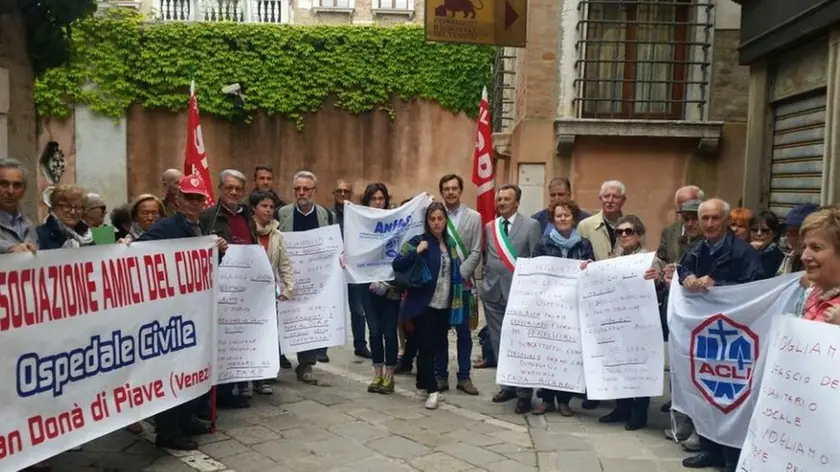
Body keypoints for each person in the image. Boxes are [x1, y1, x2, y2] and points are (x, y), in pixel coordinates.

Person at [134, 174, 228, 450]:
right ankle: (168, 430)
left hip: (194, 313)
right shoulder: (167, 226)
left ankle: (186, 419)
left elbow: (205, 268)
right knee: (171, 370)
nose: (193, 203)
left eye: (198, 198)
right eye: (188, 198)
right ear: (177, 200)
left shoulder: (201, 227)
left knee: (192, 367)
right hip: (170, 315)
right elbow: (141, 250)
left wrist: (219, 250)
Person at [678, 198, 762, 472]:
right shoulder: (697, 248)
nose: (710, 224)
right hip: (705, 335)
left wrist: (720, 285)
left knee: (731, 395)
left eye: (715, 218)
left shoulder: (743, 251)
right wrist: (686, 276)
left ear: (726, 220)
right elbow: (682, 267)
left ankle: (732, 458)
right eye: (705, 219)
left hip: (734, 335)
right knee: (705, 390)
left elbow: (755, 286)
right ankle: (708, 448)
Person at [393, 202, 469, 410]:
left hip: (444, 304)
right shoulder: (419, 240)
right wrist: (415, 252)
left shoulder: (451, 244)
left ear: (445, 221)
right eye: (432, 219)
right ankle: (432, 390)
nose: (436, 222)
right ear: (427, 222)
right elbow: (397, 263)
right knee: (426, 348)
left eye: (440, 219)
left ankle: (420, 384)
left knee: (434, 344)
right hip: (422, 304)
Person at [590, 215, 661, 430]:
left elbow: (659, 286)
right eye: (619, 232)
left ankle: (639, 412)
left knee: (639, 366)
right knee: (620, 365)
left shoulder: (649, 259)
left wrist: (656, 279)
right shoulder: (615, 258)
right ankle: (622, 407)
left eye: (628, 231)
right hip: (619, 322)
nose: (623, 235)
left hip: (642, 323)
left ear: (638, 234)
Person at [482, 184, 542, 414]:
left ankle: (525, 394)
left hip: (519, 294)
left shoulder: (531, 226)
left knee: (520, 344)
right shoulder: (490, 227)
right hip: (492, 292)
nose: (502, 203)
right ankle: (507, 385)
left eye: (507, 199)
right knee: (498, 341)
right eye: (500, 199)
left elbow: (535, 259)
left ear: (517, 202)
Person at [531, 200, 594, 416]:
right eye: (559, 216)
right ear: (553, 220)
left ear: (574, 218)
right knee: (549, 353)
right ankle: (546, 399)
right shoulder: (543, 243)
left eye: (567, 215)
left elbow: (591, 270)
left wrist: (588, 267)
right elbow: (536, 272)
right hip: (550, 307)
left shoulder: (584, 244)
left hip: (574, 307)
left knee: (568, 353)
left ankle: (565, 400)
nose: (563, 218)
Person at [201, 169, 257, 407]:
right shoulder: (208, 217)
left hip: (245, 287)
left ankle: (238, 383)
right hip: (220, 288)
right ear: (220, 189)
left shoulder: (247, 216)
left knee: (240, 335)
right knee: (220, 339)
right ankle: (221, 392)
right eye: (229, 188)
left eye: (238, 188)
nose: (233, 192)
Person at [276, 170, 335, 383]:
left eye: (306, 189)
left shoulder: (326, 215)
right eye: (297, 189)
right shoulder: (282, 213)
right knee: (283, 317)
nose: (301, 193)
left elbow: (333, 245)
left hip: (314, 280)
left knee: (309, 320)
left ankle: (306, 365)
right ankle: (275, 360)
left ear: (314, 191)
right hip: (287, 276)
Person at [434, 174, 482, 395]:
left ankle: (464, 377)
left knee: (464, 334)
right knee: (440, 333)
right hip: (440, 287)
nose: (450, 192)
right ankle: (440, 375)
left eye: (454, 188)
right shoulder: (435, 216)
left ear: (461, 190)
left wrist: (460, 274)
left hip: (463, 285)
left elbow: (476, 250)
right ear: (442, 191)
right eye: (446, 189)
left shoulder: (474, 217)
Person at [250, 190, 295, 394]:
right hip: (247, 292)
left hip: (269, 294)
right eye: (263, 206)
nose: (268, 210)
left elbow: (284, 264)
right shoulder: (246, 231)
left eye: (270, 206)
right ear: (254, 208)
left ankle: (263, 378)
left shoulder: (277, 234)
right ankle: (244, 379)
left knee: (266, 335)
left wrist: (288, 287)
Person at [360, 183, 402, 394]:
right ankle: (377, 374)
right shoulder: (360, 223)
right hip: (367, 287)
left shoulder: (395, 221)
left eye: (381, 198)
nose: (377, 202)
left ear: (386, 200)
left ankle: (389, 376)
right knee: (374, 332)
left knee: (389, 332)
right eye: (373, 198)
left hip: (391, 286)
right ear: (367, 201)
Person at [334, 179, 371, 359]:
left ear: (350, 194)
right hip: (333, 269)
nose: (342, 195)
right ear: (334, 194)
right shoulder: (328, 215)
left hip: (355, 267)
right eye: (339, 191)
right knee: (330, 306)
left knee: (358, 308)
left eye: (346, 192)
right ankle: (322, 349)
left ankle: (360, 345)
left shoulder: (357, 214)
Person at [577, 180, 627, 261]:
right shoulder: (585, 226)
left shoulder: (633, 226)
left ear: (623, 200)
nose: (610, 201)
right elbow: (578, 256)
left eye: (615, 197)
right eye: (606, 196)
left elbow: (640, 254)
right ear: (600, 199)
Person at [37, 184, 95, 249]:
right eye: (67, 206)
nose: (73, 212)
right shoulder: (40, 236)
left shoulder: (86, 235)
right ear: (54, 208)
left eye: (78, 207)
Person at [0, 157, 38, 254]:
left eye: (17, 185)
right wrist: (9, 248)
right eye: (4, 184)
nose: (10, 191)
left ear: (24, 190)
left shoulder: (29, 225)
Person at [777, 203, 818, 275]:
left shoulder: (823, 263)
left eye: (797, 232)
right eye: (788, 232)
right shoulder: (789, 259)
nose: (791, 237)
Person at [749, 210, 784, 278]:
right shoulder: (745, 250)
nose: (758, 233)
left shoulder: (778, 257)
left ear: (774, 233)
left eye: (764, 230)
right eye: (754, 229)